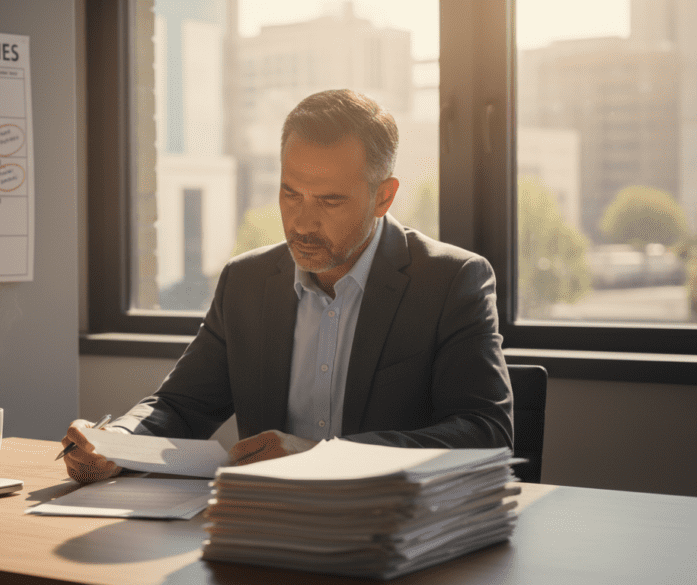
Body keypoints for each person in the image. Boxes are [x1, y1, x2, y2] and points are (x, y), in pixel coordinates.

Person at [63, 89, 513, 483]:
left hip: (393, 531)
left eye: (330, 200)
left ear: (384, 196)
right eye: (290, 193)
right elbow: (180, 407)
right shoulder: (246, 282)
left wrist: (322, 457)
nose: (302, 222)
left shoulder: (452, 280)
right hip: (268, 527)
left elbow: (486, 432)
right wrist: (117, 441)